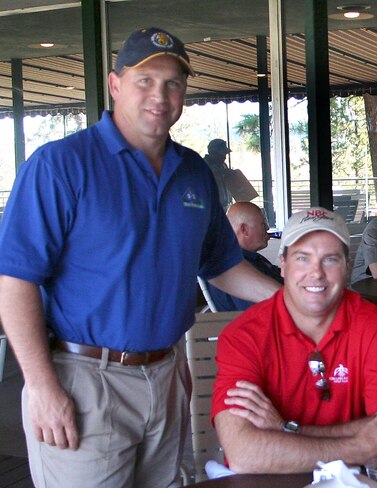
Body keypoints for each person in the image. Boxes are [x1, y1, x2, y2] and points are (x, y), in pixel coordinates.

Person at [0, 27, 281, 487]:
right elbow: (15, 281)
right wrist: (43, 387)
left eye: (173, 82)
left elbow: (222, 266)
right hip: (84, 379)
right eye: (145, 80)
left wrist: (291, 300)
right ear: (115, 85)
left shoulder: (192, 171)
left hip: (167, 376)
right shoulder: (60, 165)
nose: (161, 94)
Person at [212, 207, 377, 473]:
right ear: (283, 265)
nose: (316, 273)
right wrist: (358, 447)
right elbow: (244, 453)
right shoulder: (243, 335)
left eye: (330, 259)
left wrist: (286, 430)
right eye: (302, 259)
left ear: (346, 267)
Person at [208, 202, 284, 311]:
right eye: (263, 224)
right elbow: (263, 312)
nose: (267, 228)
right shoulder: (234, 270)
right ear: (244, 229)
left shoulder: (250, 260)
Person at [205, 138, 235, 207]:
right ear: (212, 153)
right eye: (221, 154)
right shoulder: (203, 165)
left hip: (226, 205)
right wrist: (222, 172)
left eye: (225, 154)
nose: (224, 157)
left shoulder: (224, 165)